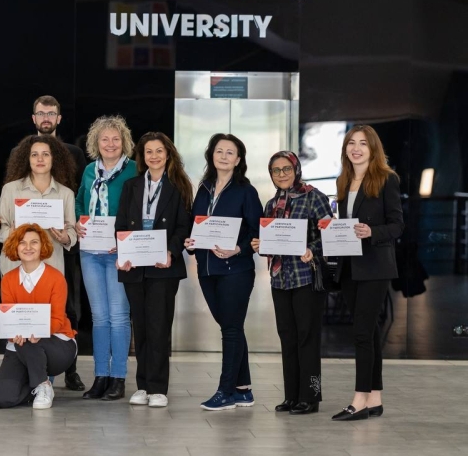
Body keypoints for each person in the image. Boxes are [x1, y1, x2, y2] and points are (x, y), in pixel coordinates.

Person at [250, 151, 332, 415]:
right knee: (287, 338)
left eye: (286, 168)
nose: (282, 174)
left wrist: (311, 250)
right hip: (280, 280)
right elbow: (272, 244)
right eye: (276, 170)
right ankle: (292, 396)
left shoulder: (314, 197)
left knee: (307, 338)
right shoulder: (271, 205)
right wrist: (260, 245)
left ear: (296, 169)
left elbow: (330, 236)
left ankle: (311, 396)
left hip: (306, 277)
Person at [331, 125, 403, 422]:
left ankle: (359, 400)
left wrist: (372, 231)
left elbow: (397, 225)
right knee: (369, 331)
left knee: (361, 332)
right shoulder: (343, 180)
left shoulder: (387, 179)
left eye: (362, 143)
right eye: (351, 143)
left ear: (373, 148)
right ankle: (375, 397)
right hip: (349, 265)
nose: (356, 148)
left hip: (375, 265)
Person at [115, 132, 193, 408]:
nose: (154, 156)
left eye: (159, 151)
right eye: (149, 151)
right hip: (135, 266)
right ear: (142, 156)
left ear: (168, 154)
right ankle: (142, 386)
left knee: (159, 327)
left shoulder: (179, 186)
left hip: (164, 266)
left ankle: (158, 387)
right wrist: (123, 253)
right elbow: (121, 224)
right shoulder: (131, 186)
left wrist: (171, 251)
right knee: (141, 327)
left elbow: (184, 226)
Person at [186, 133, 262, 411]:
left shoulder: (246, 191)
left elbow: (257, 231)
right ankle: (243, 390)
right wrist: (190, 243)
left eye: (230, 152)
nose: (224, 156)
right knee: (232, 327)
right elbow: (196, 224)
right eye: (219, 151)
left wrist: (238, 249)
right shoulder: (204, 188)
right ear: (211, 155)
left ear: (238, 160)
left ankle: (225, 391)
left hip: (235, 270)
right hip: (207, 270)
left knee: (230, 329)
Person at [75, 115, 137, 401]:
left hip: (118, 253)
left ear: (124, 142)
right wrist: (79, 221)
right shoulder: (90, 170)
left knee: (119, 316)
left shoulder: (134, 169)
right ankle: (101, 376)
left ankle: (118, 378)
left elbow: (139, 209)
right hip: (90, 252)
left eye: (115, 139)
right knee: (99, 317)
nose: (110, 144)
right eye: (104, 139)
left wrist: (125, 237)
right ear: (95, 143)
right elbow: (79, 201)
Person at [29, 95, 87, 391]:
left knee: (68, 306)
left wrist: (69, 229)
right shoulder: (22, 151)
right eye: (41, 113)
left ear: (59, 118)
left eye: (51, 113)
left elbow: (79, 194)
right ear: (34, 118)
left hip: (64, 241)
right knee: (31, 305)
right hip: (30, 244)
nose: (46, 118)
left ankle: (70, 369)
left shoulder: (74, 153)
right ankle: (34, 367)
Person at [0, 224, 77, 409]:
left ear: (42, 246)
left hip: (57, 343)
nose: (28, 247)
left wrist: (39, 331)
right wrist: (13, 334)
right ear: (15, 246)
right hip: (22, 344)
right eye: (22, 242)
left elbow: (57, 320)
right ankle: (35, 385)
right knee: (2, 398)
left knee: (30, 341)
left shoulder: (56, 278)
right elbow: (10, 320)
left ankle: (43, 384)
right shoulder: (8, 279)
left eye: (34, 242)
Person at [0, 135, 77, 276]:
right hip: (15, 267)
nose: (40, 159)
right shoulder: (10, 190)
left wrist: (66, 238)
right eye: (34, 155)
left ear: (54, 158)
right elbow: (0, 230)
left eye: (45, 154)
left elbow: (71, 231)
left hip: (52, 266)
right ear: (27, 159)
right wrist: (11, 233)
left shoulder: (66, 194)